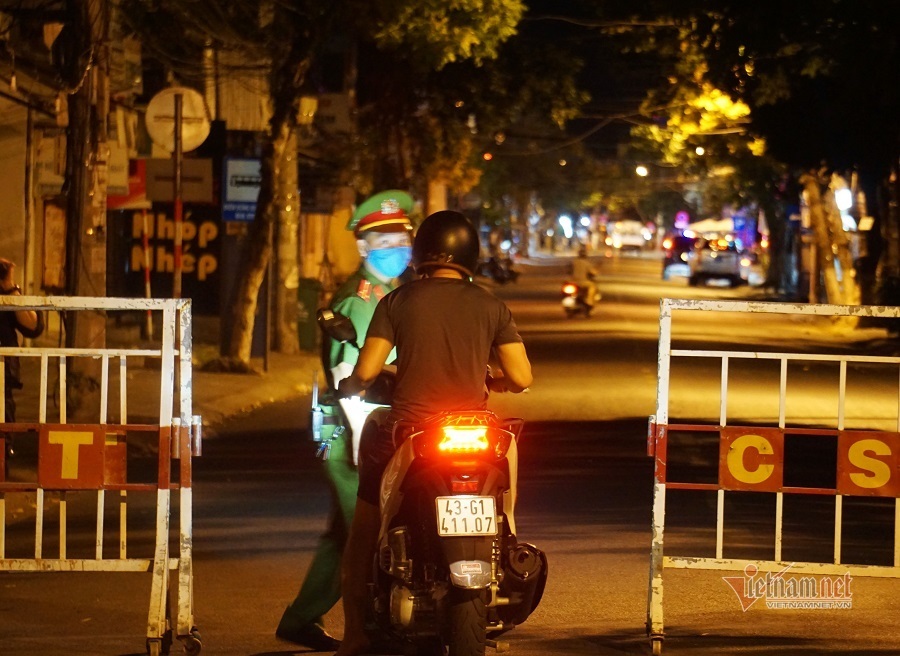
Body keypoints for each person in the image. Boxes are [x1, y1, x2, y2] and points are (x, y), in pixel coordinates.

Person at [333, 210, 533, 656]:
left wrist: (353, 384)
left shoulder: (398, 302)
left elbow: (366, 371)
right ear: (470, 256)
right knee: (507, 459)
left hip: (411, 432)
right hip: (475, 432)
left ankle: (354, 634)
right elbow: (521, 377)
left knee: (363, 530)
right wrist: (490, 381)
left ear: (422, 253)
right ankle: (508, 533)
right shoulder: (490, 305)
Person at [275, 191, 414, 651]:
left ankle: (301, 618)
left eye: (402, 237)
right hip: (354, 433)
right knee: (368, 535)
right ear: (363, 246)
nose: (397, 246)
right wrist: (366, 446)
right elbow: (346, 382)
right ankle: (369, 628)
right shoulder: (358, 302)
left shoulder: (392, 295)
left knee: (345, 535)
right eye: (386, 238)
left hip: (376, 428)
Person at [0, 258, 44, 464]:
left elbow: (33, 325)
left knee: (2, 436)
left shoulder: (5, 294)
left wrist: (9, 287)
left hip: (1, 378)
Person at [571, 245, 600, 312]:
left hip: (573, 282)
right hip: (583, 282)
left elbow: (569, 270)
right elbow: (593, 272)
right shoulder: (586, 263)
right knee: (593, 287)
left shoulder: (574, 262)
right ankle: (589, 301)